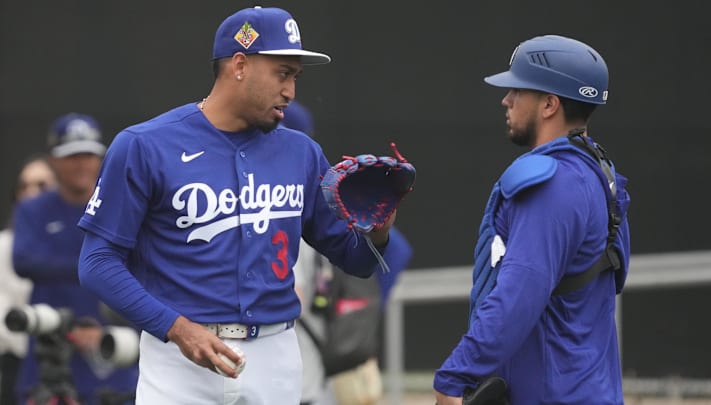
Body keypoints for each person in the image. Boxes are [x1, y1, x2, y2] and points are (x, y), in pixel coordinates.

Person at [75, 6, 401, 405]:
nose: (291, 91)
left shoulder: (301, 152)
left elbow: (357, 261)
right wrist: (175, 327)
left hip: (276, 352)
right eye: (282, 73)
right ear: (241, 65)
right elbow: (97, 262)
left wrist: (378, 229)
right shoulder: (145, 145)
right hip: (179, 358)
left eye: (295, 77)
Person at [434, 35, 631, 404]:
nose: (505, 100)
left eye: (517, 90)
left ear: (549, 104)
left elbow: (517, 297)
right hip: (589, 388)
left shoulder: (550, 186)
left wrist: (455, 375)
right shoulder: (598, 174)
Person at [282, 101, 414, 405]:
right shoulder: (315, 203)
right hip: (318, 367)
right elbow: (398, 251)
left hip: (299, 370)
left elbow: (295, 296)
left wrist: (353, 314)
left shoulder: (290, 205)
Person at [12, 113, 138, 405]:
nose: (81, 164)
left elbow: (138, 271)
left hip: (110, 347)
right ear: (53, 161)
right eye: (71, 156)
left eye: (88, 155)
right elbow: (24, 261)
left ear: (101, 159)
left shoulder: (123, 208)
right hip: (50, 347)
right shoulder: (33, 209)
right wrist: (101, 264)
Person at [0, 155, 57, 405]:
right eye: (24, 186)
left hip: (67, 360)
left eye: (42, 185)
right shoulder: (3, 245)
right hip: (15, 362)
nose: (32, 193)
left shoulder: (76, 242)